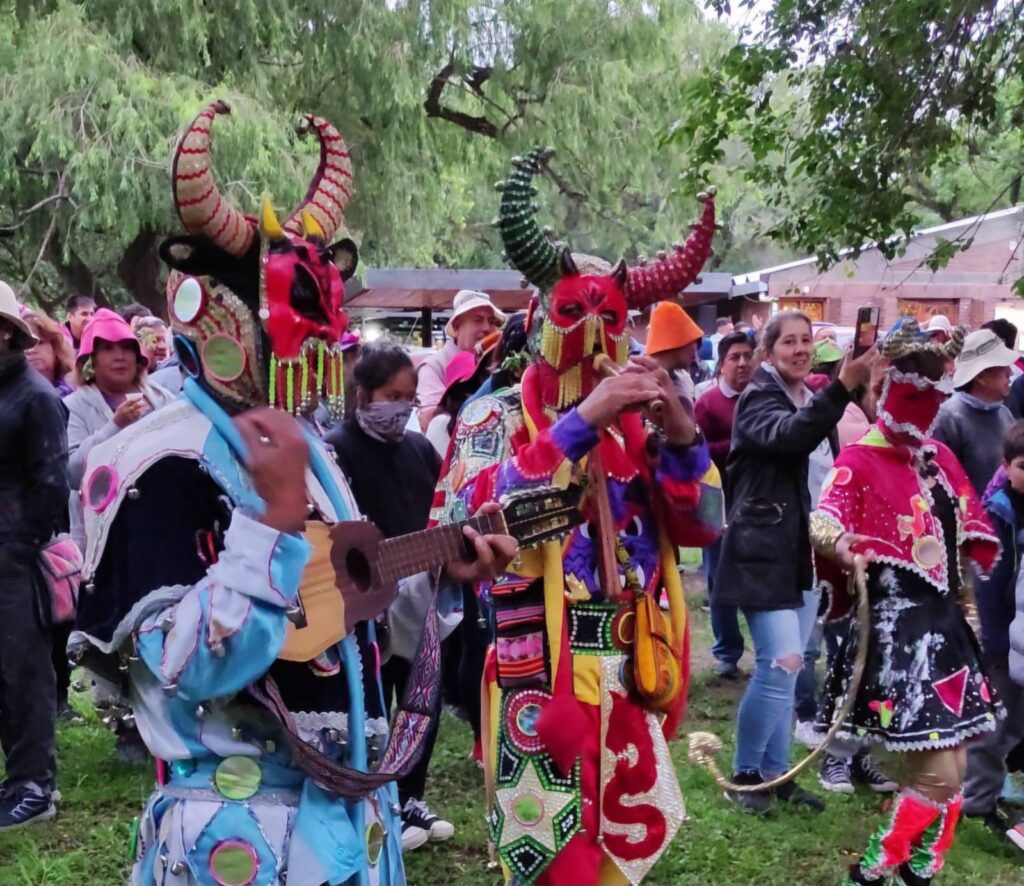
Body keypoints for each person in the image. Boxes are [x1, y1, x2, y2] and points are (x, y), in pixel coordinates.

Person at [71, 101, 515, 886]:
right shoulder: (154, 465)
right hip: (235, 838)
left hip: (349, 829)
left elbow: (337, 600)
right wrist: (270, 525)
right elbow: (184, 669)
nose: (306, 361)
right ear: (213, 314)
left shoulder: (306, 450)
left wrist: (445, 564)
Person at [434, 148, 722, 885]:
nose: (594, 336)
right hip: (538, 665)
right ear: (538, 320)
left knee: (622, 852)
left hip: (631, 659)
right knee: (550, 860)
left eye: (612, 318)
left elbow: (703, 527)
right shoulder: (491, 416)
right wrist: (580, 423)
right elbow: (476, 523)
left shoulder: (644, 430)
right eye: (573, 313)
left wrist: (682, 436)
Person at [811, 318, 1004, 886]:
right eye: (914, 392)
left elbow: (964, 533)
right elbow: (824, 521)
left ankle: (918, 868)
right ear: (885, 389)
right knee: (940, 776)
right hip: (897, 637)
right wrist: (842, 546)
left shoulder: (938, 457)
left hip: (946, 631)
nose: (924, 407)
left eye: (936, 392)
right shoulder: (858, 462)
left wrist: (968, 603)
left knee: (959, 764)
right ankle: (875, 868)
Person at [714, 309, 877, 815]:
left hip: (803, 554)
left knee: (793, 667)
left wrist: (839, 541)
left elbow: (820, 485)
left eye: (807, 341)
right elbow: (789, 437)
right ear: (768, 351)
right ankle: (743, 776)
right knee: (780, 661)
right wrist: (841, 389)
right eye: (789, 342)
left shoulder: (807, 397)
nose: (801, 349)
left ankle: (774, 772)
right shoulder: (757, 398)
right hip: (761, 554)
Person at [327, 342, 454, 851]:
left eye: (408, 396)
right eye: (390, 395)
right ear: (363, 394)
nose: (400, 407)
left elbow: (438, 514)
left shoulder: (420, 450)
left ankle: (410, 796)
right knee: (376, 705)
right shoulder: (336, 450)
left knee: (421, 702)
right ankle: (375, 802)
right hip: (362, 607)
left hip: (419, 598)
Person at [0, 280, 69, 829]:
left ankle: (34, 786)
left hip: (13, 557)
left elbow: (51, 486)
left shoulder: (35, 396)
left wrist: (18, 551)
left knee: (22, 671)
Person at [64, 309, 175, 550]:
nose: (119, 356)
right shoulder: (74, 406)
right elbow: (72, 474)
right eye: (107, 349)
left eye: (126, 348)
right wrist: (115, 426)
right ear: (90, 363)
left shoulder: (160, 398)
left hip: (161, 526)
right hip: (104, 538)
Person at [963, 420, 1024, 849]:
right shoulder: (999, 510)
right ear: (1006, 466)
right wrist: (997, 644)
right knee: (994, 726)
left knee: (1018, 726)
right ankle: (977, 802)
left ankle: (1004, 791)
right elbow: (988, 581)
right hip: (1004, 640)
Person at [695, 331, 754, 678]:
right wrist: (739, 445)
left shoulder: (764, 398)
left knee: (754, 575)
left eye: (748, 355)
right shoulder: (708, 403)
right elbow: (696, 453)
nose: (744, 363)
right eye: (736, 357)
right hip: (716, 501)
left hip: (754, 502)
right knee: (718, 578)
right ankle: (727, 654)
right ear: (722, 363)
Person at [932, 327, 1016, 497]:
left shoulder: (1004, 414)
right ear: (981, 377)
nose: (1010, 373)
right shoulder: (948, 419)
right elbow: (939, 483)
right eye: (1003, 368)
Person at [416, 289, 504, 429]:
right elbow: (429, 420)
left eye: (491, 321)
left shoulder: (497, 363)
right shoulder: (434, 365)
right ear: (457, 326)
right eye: (477, 320)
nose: (487, 328)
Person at [644, 300, 704, 408]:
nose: (695, 354)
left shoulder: (681, 378)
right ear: (675, 340)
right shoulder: (639, 380)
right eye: (691, 342)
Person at [23, 308, 76, 397]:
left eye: (39, 343)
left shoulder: (77, 390)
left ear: (55, 347)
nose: (30, 350)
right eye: (25, 346)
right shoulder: (12, 395)